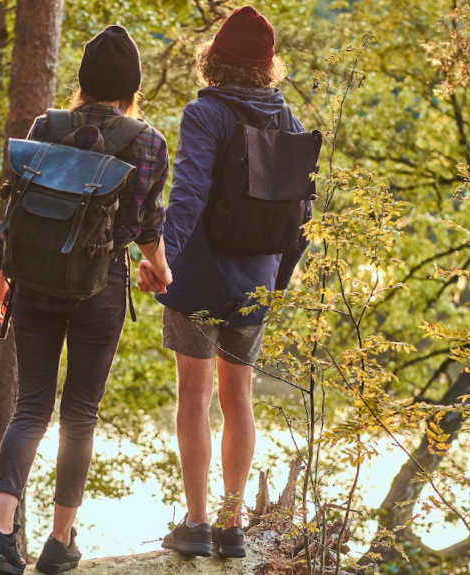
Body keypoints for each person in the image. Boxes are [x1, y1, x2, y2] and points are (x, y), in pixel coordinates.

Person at [0, 25, 172, 575]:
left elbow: (14, 210)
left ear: (82, 82)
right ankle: (59, 542)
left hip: (33, 282)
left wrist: (1, 279)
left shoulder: (46, 126)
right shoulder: (148, 140)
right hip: (100, 287)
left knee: (30, 406)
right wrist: (159, 268)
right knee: (79, 414)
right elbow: (143, 226)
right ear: (130, 86)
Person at [137, 5, 309, 559]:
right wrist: (275, 284)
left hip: (200, 279)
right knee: (240, 400)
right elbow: (302, 219)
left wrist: (161, 260)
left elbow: (184, 200)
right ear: (267, 66)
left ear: (213, 60)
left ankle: (196, 524)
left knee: (194, 396)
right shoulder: (290, 123)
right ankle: (232, 528)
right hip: (255, 281)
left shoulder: (204, 113)